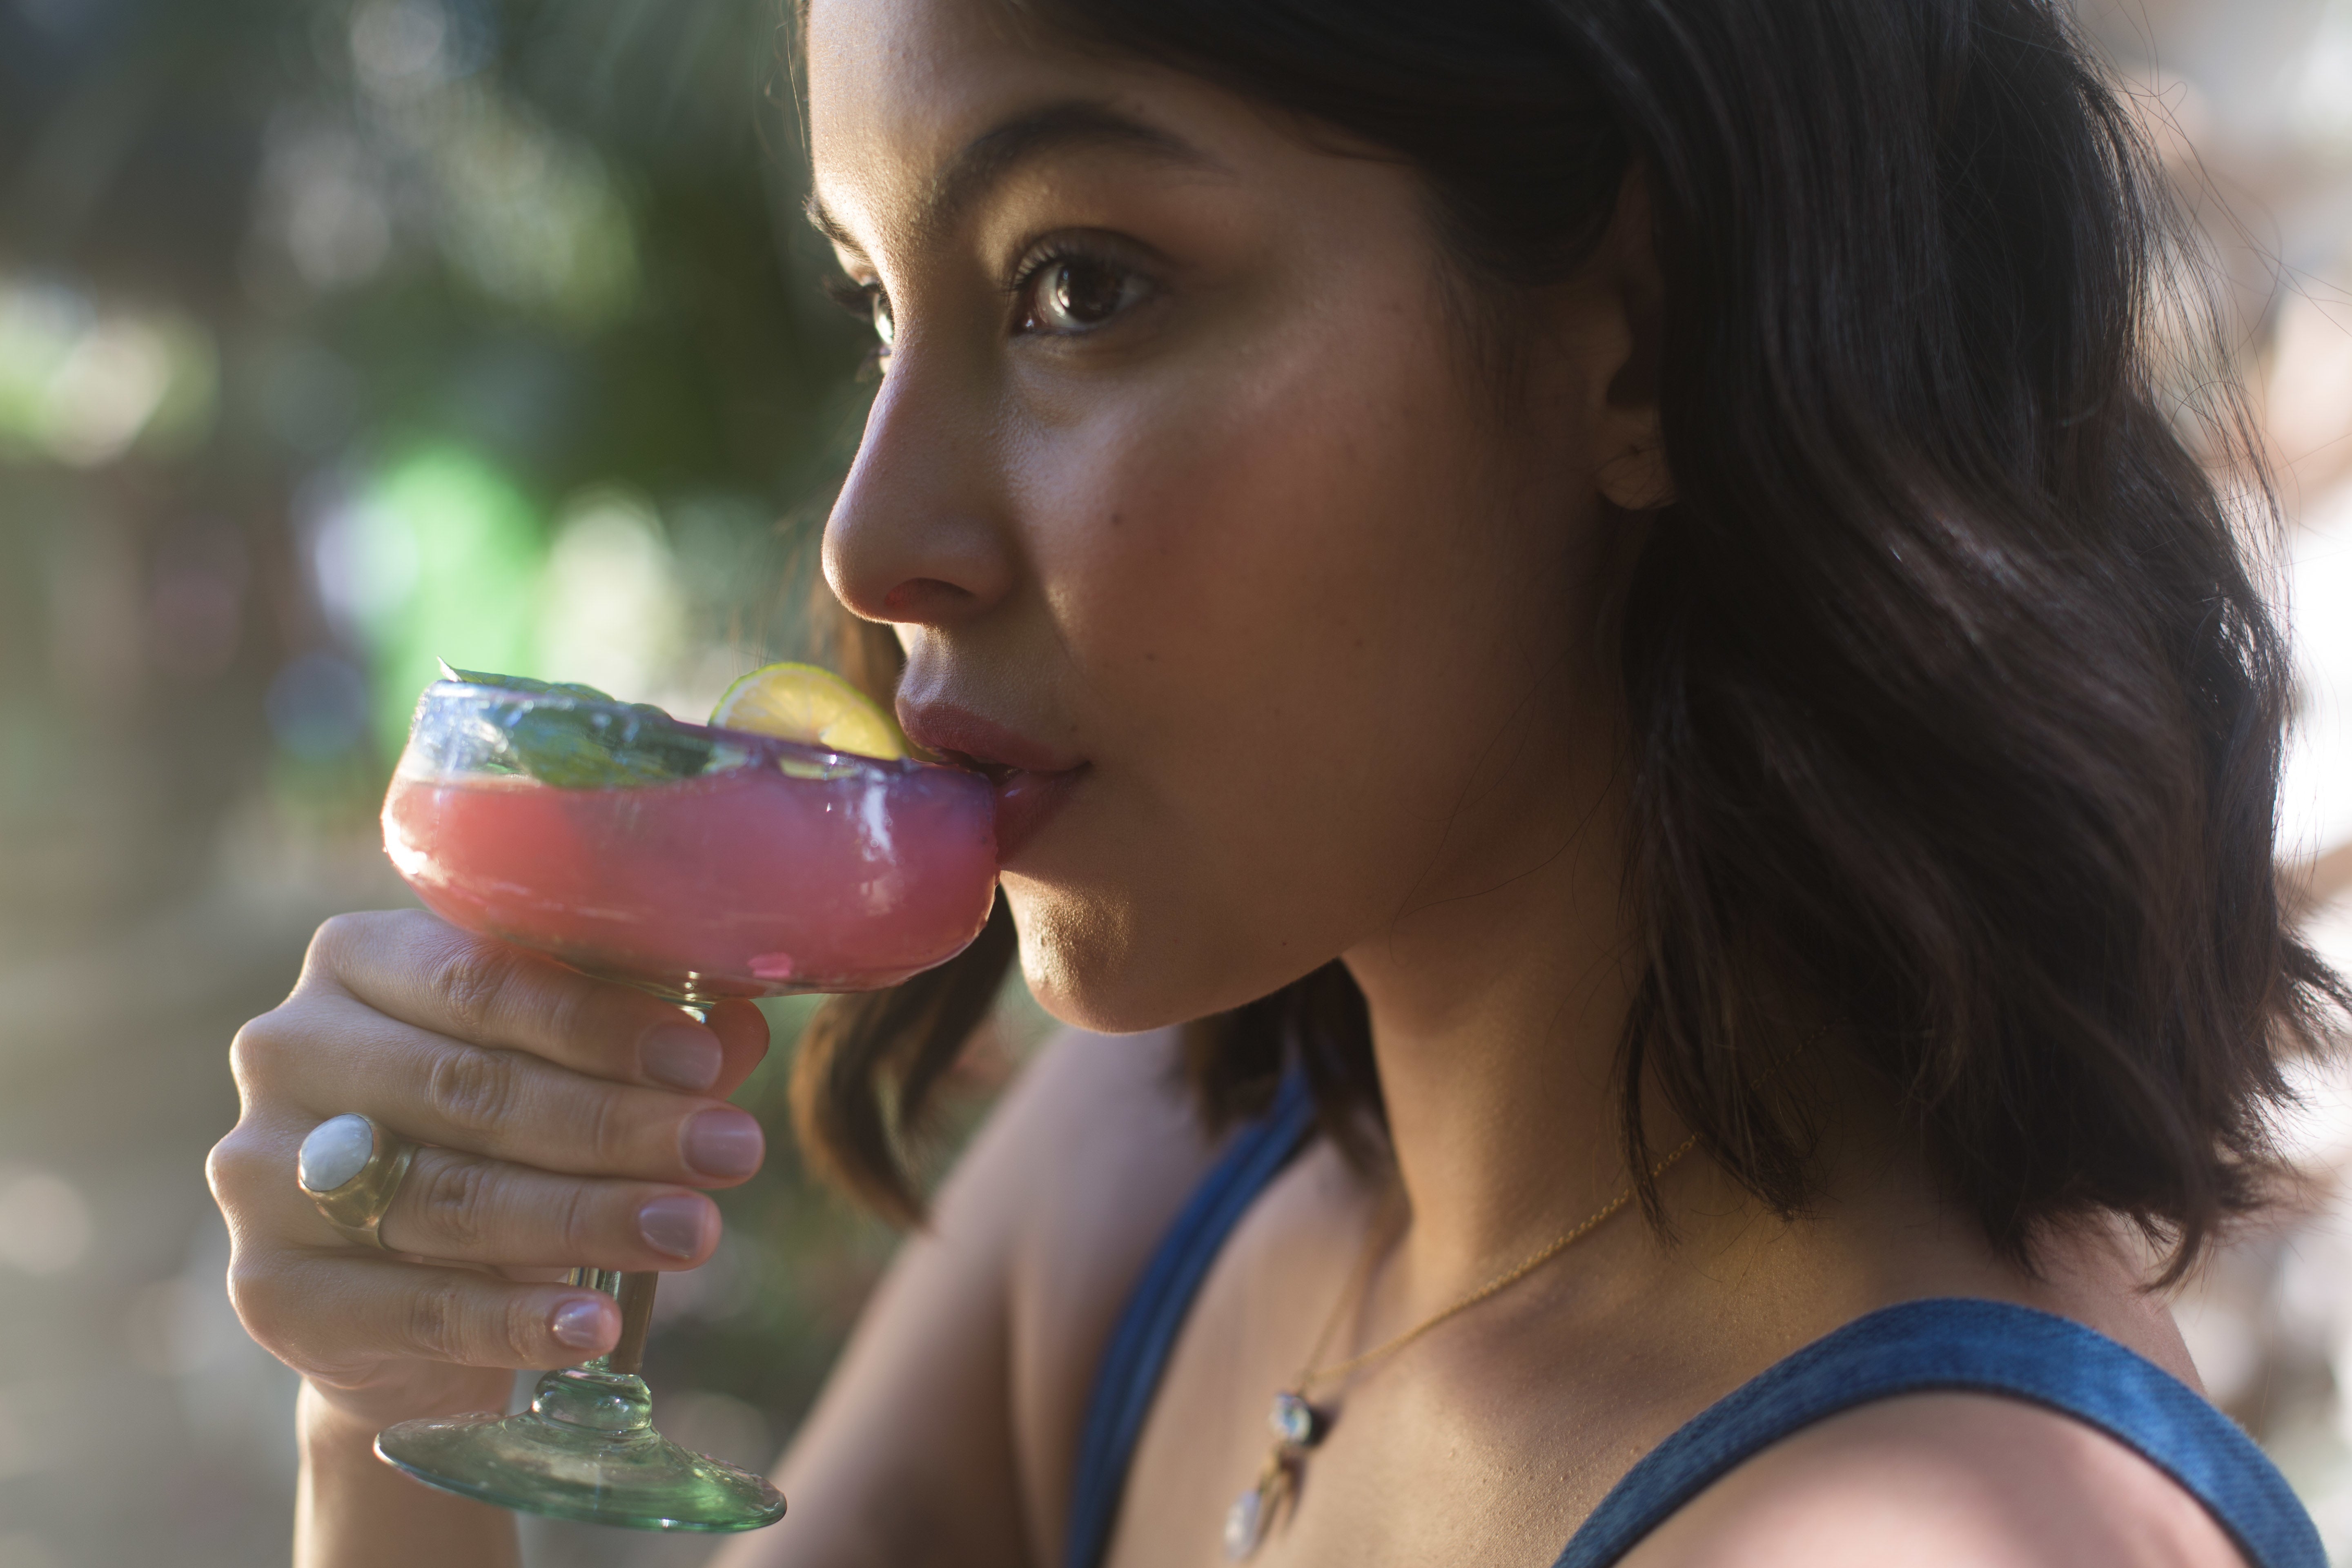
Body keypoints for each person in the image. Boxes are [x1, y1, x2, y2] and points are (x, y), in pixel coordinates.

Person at [208, 0, 2350, 1563]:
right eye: (880, 307)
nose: (869, 545)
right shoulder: (1163, 1173)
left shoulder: (1903, 1533)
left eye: (1076, 285)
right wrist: (401, 1419)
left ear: (1636, 338)